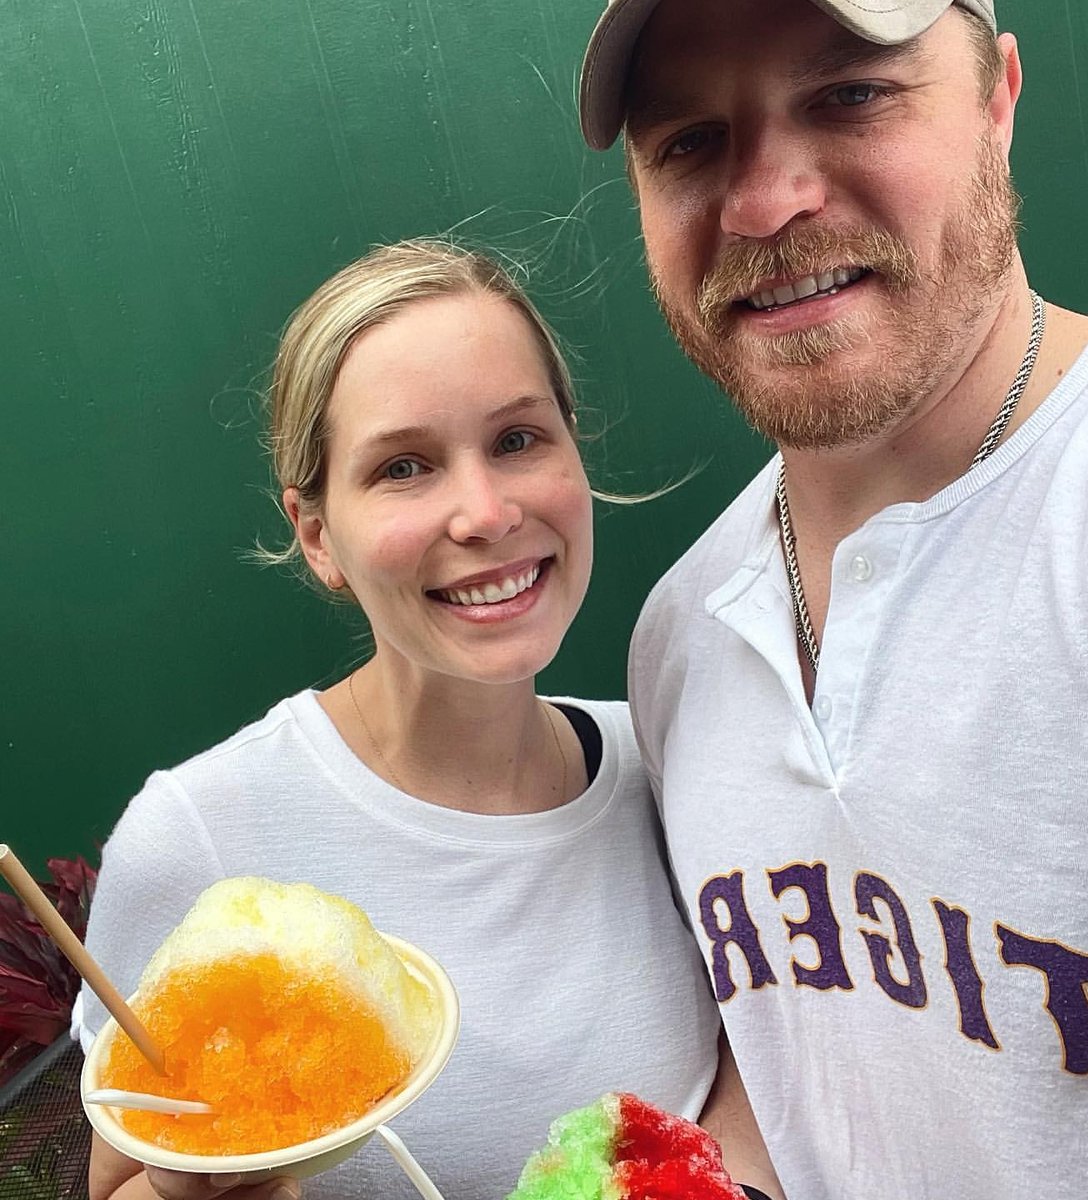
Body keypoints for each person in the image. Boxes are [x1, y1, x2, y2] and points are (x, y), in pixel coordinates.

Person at [578, 0, 1088, 1195]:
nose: (763, 204)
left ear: (1000, 100)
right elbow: (800, 1069)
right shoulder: (680, 633)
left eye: (850, 96)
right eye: (690, 144)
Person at [74, 241, 781, 1200]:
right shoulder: (200, 841)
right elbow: (119, 1179)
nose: (485, 513)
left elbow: (762, 1088)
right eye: (404, 466)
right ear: (317, 535)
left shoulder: (673, 760)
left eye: (518, 440)